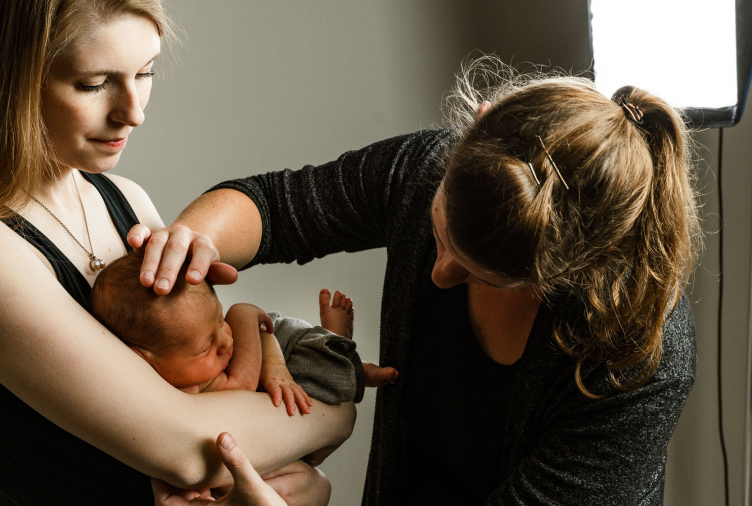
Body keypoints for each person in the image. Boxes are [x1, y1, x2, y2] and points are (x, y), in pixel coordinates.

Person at [134, 59, 701, 505]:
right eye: (440, 235)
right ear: (473, 129)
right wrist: (184, 242)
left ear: (583, 264)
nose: (438, 274)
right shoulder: (420, 170)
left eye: (485, 274)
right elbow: (279, 209)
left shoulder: (638, 355)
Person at [0, 1, 354, 504]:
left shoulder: (123, 198)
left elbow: (219, 400)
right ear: (10, 81)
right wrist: (338, 410)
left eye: (145, 72)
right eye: (94, 83)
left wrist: (298, 477)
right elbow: (192, 449)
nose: (135, 112)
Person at [90, 251, 400, 412]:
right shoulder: (162, 390)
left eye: (219, 321)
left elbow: (241, 381)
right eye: (205, 347)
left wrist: (244, 321)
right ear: (144, 360)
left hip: (276, 342)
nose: (224, 342)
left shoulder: (211, 362)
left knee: (306, 367)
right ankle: (337, 348)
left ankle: (341, 347)